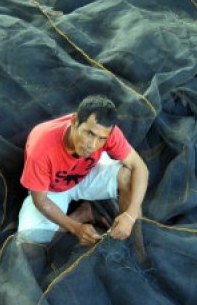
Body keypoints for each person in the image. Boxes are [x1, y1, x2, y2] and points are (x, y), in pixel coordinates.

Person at [18, 95, 148, 245]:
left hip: (86, 173)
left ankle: (136, 251)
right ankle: (82, 214)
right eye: (89, 133)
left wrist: (131, 215)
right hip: (51, 190)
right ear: (74, 122)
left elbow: (140, 167)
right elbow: (40, 201)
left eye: (101, 139)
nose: (93, 145)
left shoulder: (108, 132)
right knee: (30, 244)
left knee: (129, 176)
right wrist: (75, 227)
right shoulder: (41, 147)